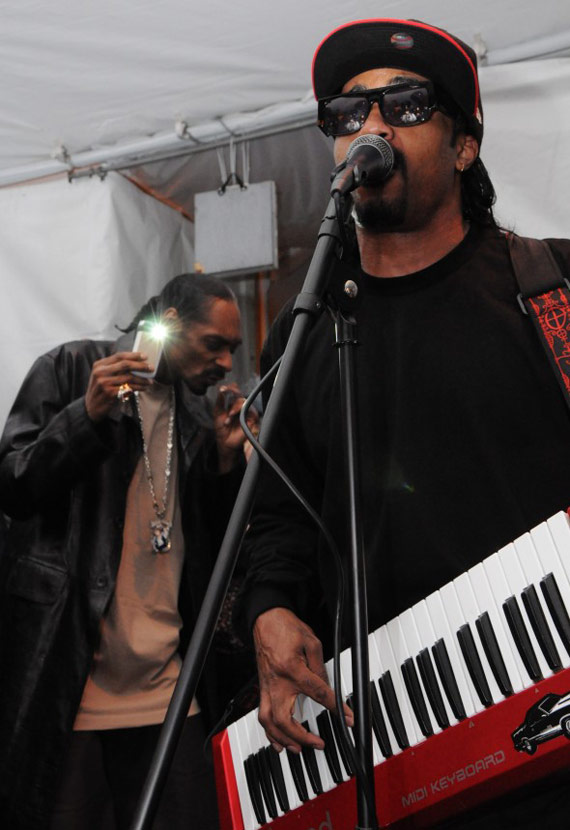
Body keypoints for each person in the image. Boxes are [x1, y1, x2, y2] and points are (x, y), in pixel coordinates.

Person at [238, 19, 570, 829]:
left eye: (408, 105)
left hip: (551, 698)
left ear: (464, 148)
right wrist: (270, 608)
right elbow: (279, 512)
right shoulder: (306, 329)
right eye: (349, 114)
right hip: (398, 724)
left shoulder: (552, 285)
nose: (373, 128)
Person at [0, 272, 256, 830]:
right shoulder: (71, 368)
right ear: (169, 322)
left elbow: (205, 552)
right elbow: (13, 485)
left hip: (166, 689)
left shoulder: (196, 416)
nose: (225, 363)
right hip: (71, 686)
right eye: (214, 344)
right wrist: (85, 416)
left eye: (232, 349)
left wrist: (223, 464)